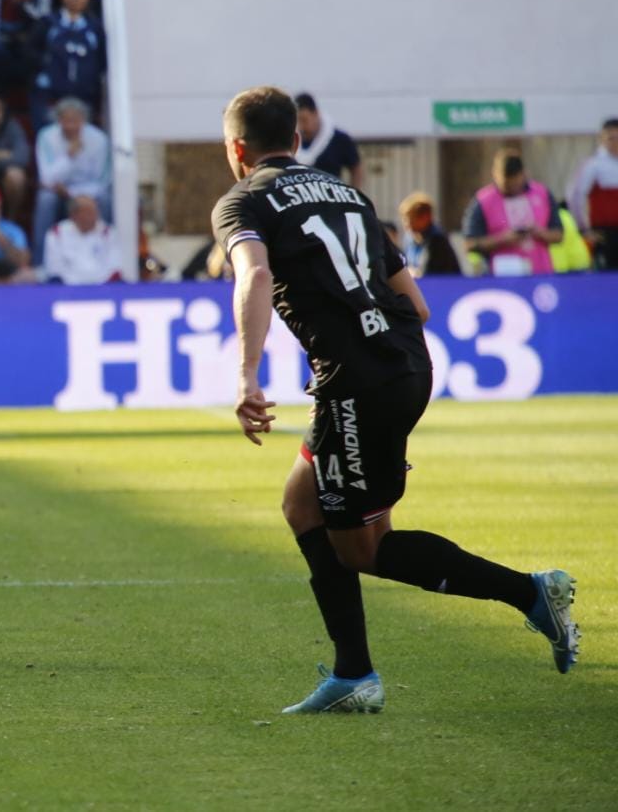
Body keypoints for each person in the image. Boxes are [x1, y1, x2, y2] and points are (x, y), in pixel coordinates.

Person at [210, 84, 578, 715]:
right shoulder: (350, 196)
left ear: (237, 149)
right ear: (298, 141)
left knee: (362, 547)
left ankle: (529, 594)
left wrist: (246, 375)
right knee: (303, 502)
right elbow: (418, 303)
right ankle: (353, 669)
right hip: (404, 363)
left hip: (355, 383)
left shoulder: (243, 201)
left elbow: (255, 274)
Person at [32, 96, 111, 263]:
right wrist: (69, 157)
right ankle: (40, 261)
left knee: (105, 199)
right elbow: (46, 178)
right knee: (46, 199)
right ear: (58, 120)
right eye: (66, 121)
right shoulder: (46, 136)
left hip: (88, 191)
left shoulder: (99, 139)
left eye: (75, 121)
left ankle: (108, 255)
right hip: (57, 191)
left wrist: (74, 193)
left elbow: (102, 180)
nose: (71, 126)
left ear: (84, 120)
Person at [461, 148, 563, 275]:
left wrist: (540, 233)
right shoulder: (483, 201)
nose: (512, 188)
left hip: (540, 275)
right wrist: (501, 240)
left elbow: (559, 234)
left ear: (523, 174)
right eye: (506, 185)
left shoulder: (542, 194)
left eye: (515, 183)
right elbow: (469, 244)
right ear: (494, 175)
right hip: (502, 278)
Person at [33, 0, 104, 129]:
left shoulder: (96, 28)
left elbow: (102, 60)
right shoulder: (48, 23)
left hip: (85, 96)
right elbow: (32, 52)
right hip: (51, 95)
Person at [567, 119, 618, 270]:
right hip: (604, 233)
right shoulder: (593, 165)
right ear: (602, 139)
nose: (615, 142)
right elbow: (575, 197)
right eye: (611, 138)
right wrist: (584, 229)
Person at [42, 193, 123, 283]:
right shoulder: (56, 233)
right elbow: (55, 269)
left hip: (103, 288)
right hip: (67, 289)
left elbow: (115, 267)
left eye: (95, 211)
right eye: (89, 213)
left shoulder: (108, 232)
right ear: (73, 215)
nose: (95, 217)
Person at [294, 92, 363, 189]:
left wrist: (354, 192)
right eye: (298, 121)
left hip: (332, 195)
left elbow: (356, 168)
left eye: (304, 120)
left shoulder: (339, 139)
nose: (302, 126)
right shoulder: (291, 140)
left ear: (316, 114)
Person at [398, 192, 462, 276]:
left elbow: (426, 273)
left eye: (411, 218)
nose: (407, 224)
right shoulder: (409, 239)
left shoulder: (437, 241)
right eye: (405, 219)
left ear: (426, 217)